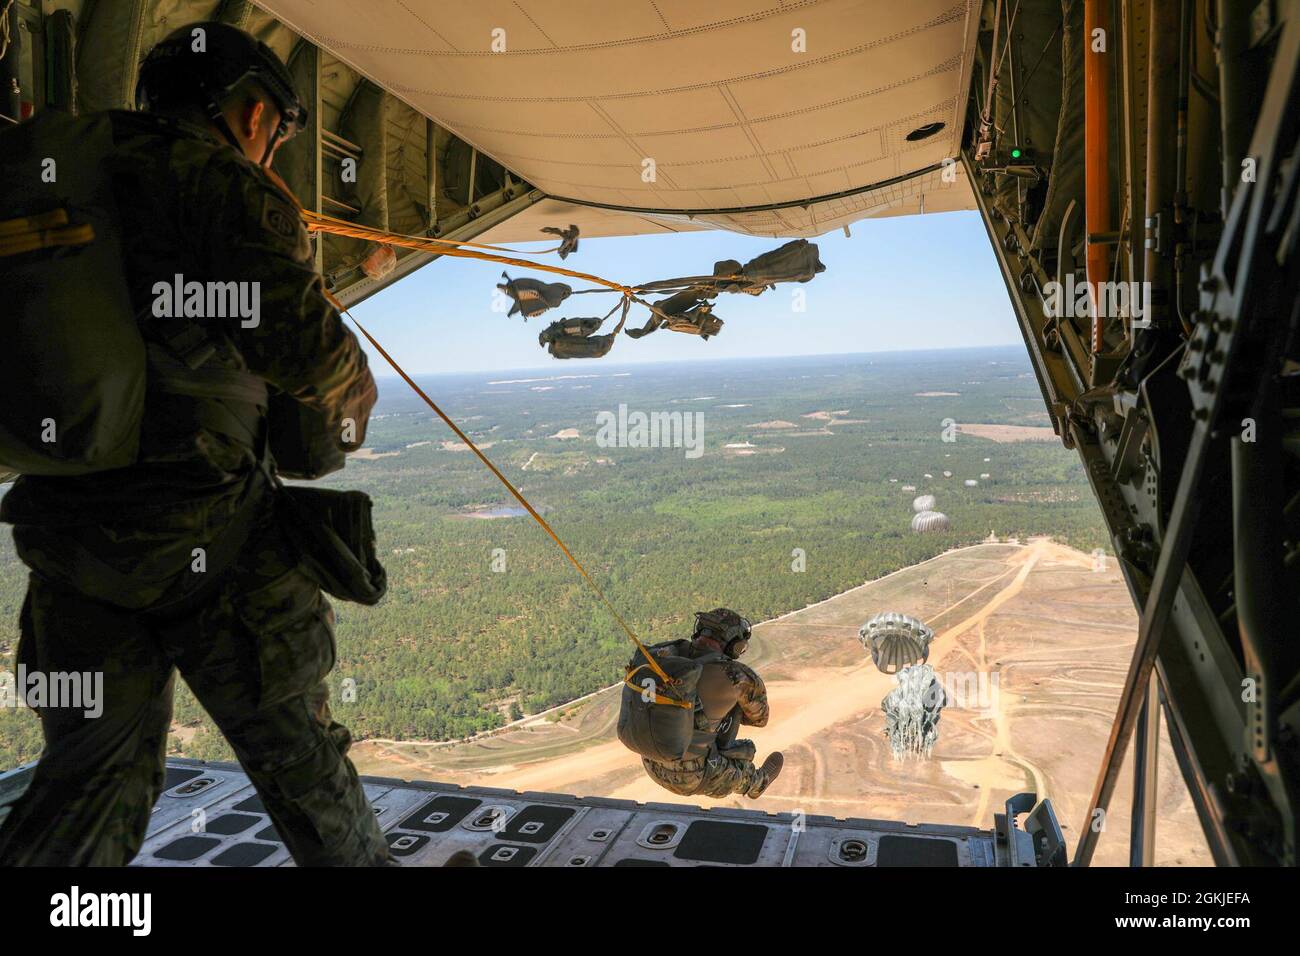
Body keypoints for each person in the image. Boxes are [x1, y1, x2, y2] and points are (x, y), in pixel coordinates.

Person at [0, 21, 387, 866]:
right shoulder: (218, 180)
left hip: (69, 545)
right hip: (210, 534)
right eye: (278, 131)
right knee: (301, 762)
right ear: (251, 115)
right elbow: (312, 358)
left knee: (85, 779)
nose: (273, 150)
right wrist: (339, 422)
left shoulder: (68, 174)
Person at [639, 609, 783, 799]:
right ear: (736, 645)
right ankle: (757, 783)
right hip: (695, 777)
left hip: (652, 763)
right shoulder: (738, 676)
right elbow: (759, 719)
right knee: (747, 750)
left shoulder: (663, 657)